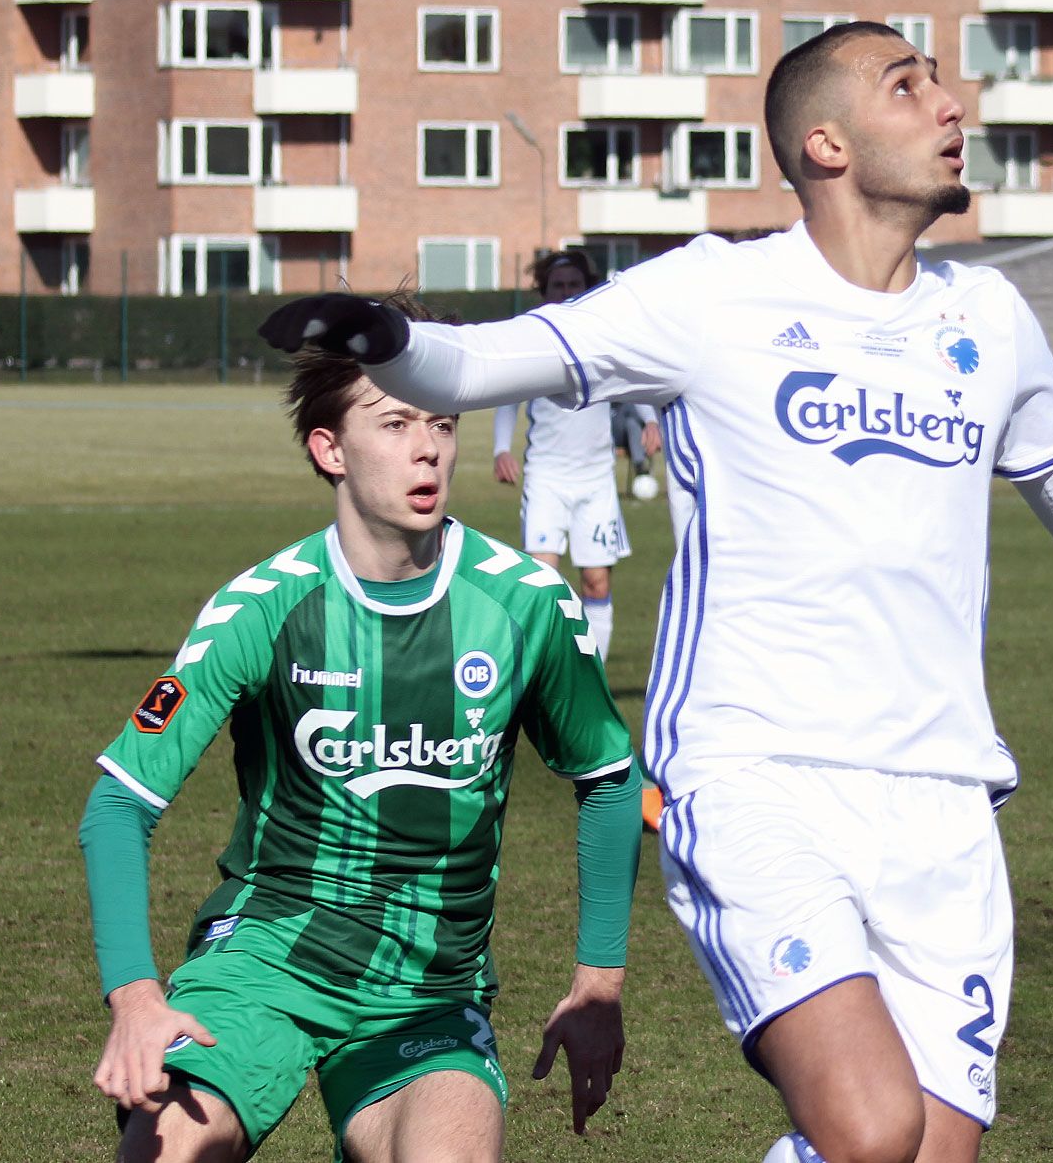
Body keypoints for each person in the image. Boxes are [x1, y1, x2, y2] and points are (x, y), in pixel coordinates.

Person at [258, 22, 1053, 1163]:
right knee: (871, 1128)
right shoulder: (712, 293)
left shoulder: (988, 321)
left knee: (922, 1153)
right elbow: (479, 363)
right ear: (823, 142)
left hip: (944, 798)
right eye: (908, 85)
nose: (949, 105)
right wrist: (388, 338)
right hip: (756, 777)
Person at [79, 291, 644, 1163]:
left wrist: (598, 984)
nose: (427, 448)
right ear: (329, 449)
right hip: (261, 963)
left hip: (427, 990)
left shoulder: (524, 604)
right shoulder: (263, 607)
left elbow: (607, 780)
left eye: (442, 424)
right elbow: (119, 802)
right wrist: (135, 996)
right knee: (170, 1152)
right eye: (392, 424)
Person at [491, 250, 661, 662]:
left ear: (587, 289)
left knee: (596, 582)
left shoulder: (603, 339)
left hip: (596, 480)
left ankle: (592, 675)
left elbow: (631, 384)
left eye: (573, 284)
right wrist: (500, 448)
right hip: (546, 477)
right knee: (542, 580)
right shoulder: (532, 340)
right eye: (558, 285)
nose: (566, 292)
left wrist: (650, 419)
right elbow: (507, 398)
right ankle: (545, 674)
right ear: (544, 293)